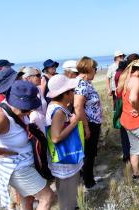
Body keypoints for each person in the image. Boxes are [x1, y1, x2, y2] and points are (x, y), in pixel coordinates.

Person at [0, 81, 54, 209]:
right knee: (47, 197)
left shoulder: (16, 111)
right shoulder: (0, 117)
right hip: (17, 167)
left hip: (26, 162)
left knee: (28, 200)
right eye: (26, 108)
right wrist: (2, 151)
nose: (29, 112)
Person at [46, 74, 83, 210]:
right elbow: (56, 137)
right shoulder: (59, 112)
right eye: (71, 91)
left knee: (65, 191)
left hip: (61, 158)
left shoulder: (54, 106)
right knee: (67, 191)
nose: (73, 93)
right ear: (65, 94)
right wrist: (73, 123)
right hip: (65, 159)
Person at [74, 56, 103, 190]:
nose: (96, 71)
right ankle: (89, 183)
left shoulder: (85, 82)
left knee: (90, 153)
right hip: (88, 124)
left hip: (92, 123)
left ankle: (89, 177)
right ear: (89, 69)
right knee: (88, 154)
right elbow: (78, 107)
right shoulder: (81, 84)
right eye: (95, 68)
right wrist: (86, 127)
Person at [114, 54, 139, 163]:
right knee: (130, 131)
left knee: (125, 131)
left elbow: (117, 91)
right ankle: (131, 155)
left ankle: (128, 155)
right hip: (127, 105)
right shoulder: (128, 75)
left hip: (121, 103)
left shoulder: (121, 74)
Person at [21, 67, 47, 134]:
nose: (40, 77)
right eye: (38, 75)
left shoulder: (39, 89)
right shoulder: (23, 93)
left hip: (45, 123)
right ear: (28, 78)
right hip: (35, 126)